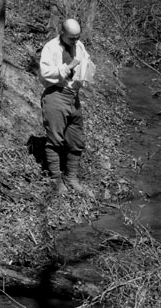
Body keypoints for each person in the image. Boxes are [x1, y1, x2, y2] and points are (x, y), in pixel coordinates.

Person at [39, 18, 94, 194]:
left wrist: (86, 74)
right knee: (55, 139)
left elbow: (86, 62)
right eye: (72, 38)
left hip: (73, 97)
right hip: (56, 94)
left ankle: (72, 178)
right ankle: (56, 180)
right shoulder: (50, 47)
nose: (75, 41)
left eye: (78, 37)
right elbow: (45, 72)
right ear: (62, 33)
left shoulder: (79, 45)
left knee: (77, 140)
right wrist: (69, 66)